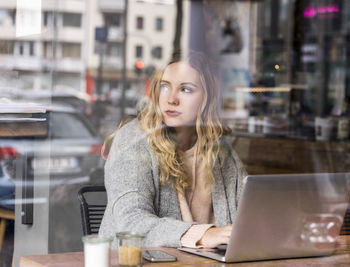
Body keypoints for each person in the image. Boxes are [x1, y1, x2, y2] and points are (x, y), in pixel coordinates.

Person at [99, 51, 247, 248]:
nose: (171, 99)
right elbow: (132, 223)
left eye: (185, 90)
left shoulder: (219, 151)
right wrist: (204, 235)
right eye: (165, 87)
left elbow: (248, 214)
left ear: (208, 99)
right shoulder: (134, 139)